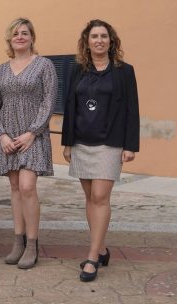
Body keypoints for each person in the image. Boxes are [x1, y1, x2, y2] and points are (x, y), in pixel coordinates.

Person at [61, 19, 139, 282]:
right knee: (90, 198)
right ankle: (103, 248)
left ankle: (92, 258)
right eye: (94, 36)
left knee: (100, 197)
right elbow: (69, 107)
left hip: (110, 143)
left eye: (104, 36)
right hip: (82, 142)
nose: (99, 40)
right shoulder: (76, 71)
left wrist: (130, 145)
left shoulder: (124, 72)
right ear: (87, 41)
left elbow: (132, 109)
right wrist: (67, 142)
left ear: (111, 40)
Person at [0, 18, 58, 269]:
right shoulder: (0, 70)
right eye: (16, 33)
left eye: (25, 33)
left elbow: (48, 102)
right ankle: (17, 242)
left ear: (32, 38)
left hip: (33, 136)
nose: (20, 36)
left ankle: (32, 244)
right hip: (9, 138)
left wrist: (32, 132)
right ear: (10, 39)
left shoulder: (44, 65)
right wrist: (2, 135)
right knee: (16, 187)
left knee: (28, 186)